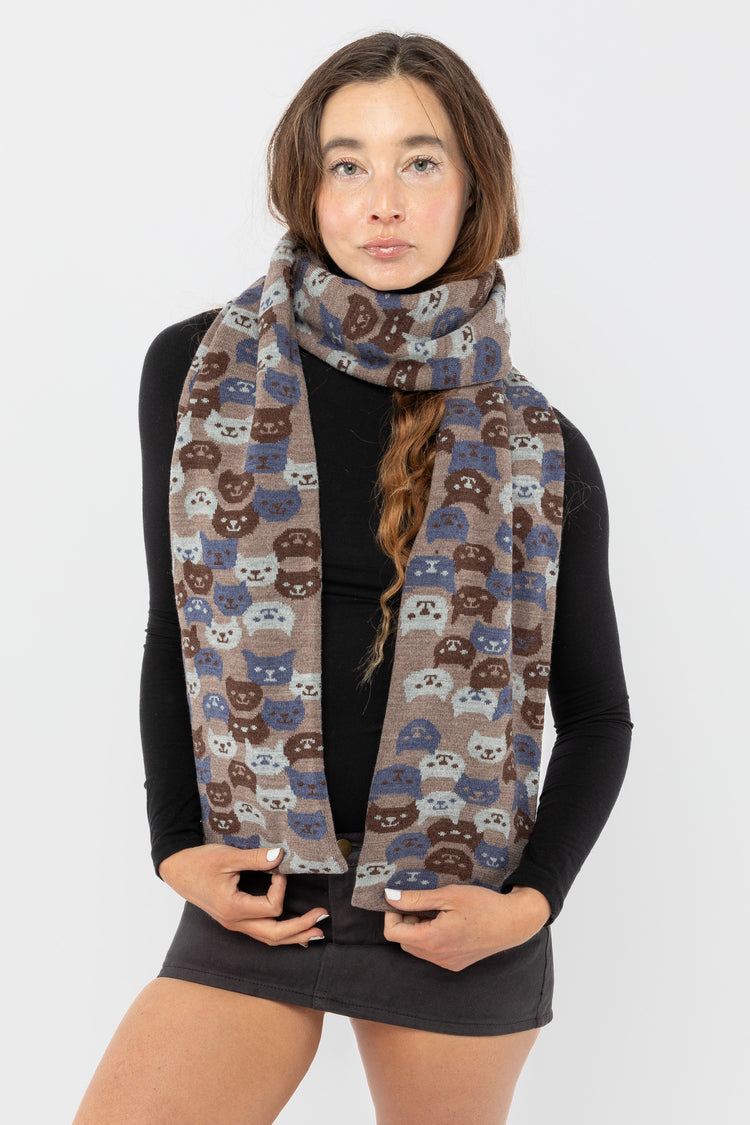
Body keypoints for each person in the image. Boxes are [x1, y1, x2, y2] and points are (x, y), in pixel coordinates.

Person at [74, 31, 631, 1125]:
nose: (384, 201)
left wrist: (526, 906)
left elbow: (600, 716)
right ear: (308, 186)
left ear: (473, 186)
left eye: (420, 161)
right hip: (263, 891)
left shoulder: (546, 449)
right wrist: (176, 845)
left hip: (450, 911)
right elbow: (174, 630)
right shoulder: (196, 369)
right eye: (349, 163)